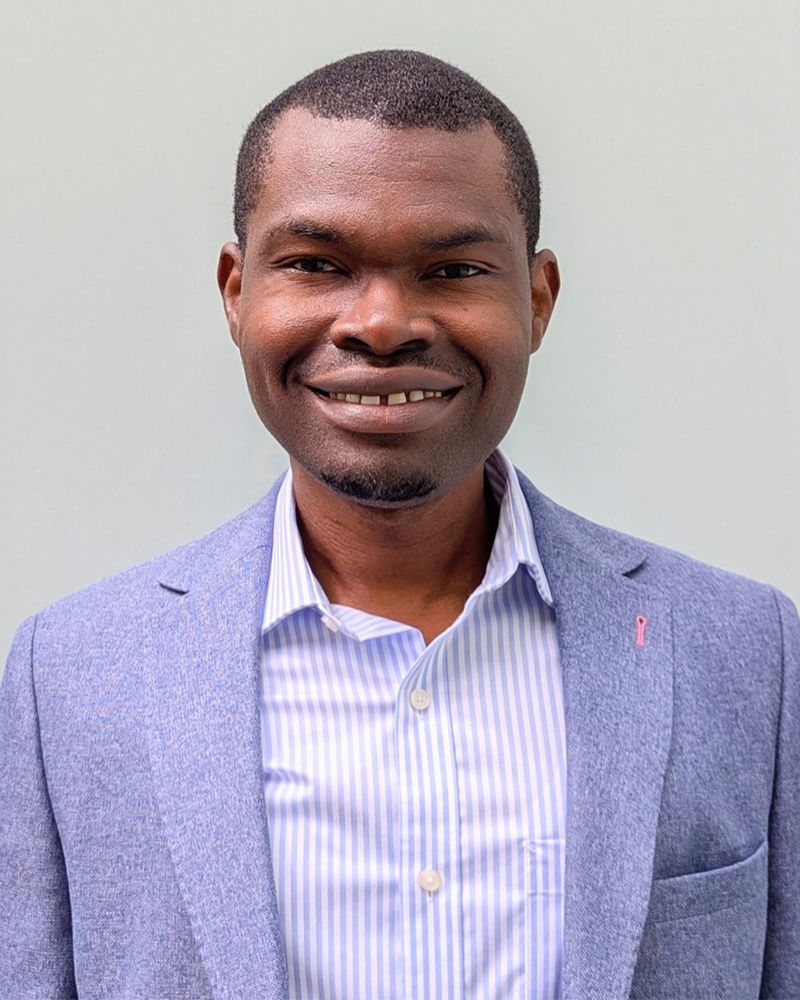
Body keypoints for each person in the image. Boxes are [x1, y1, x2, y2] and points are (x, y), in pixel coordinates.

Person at [0, 48, 797, 1000]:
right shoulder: (71, 677)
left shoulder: (749, 654)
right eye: (316, 264)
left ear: (536, 300)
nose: (381, 323)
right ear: (236, 290)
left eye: (453, 267)